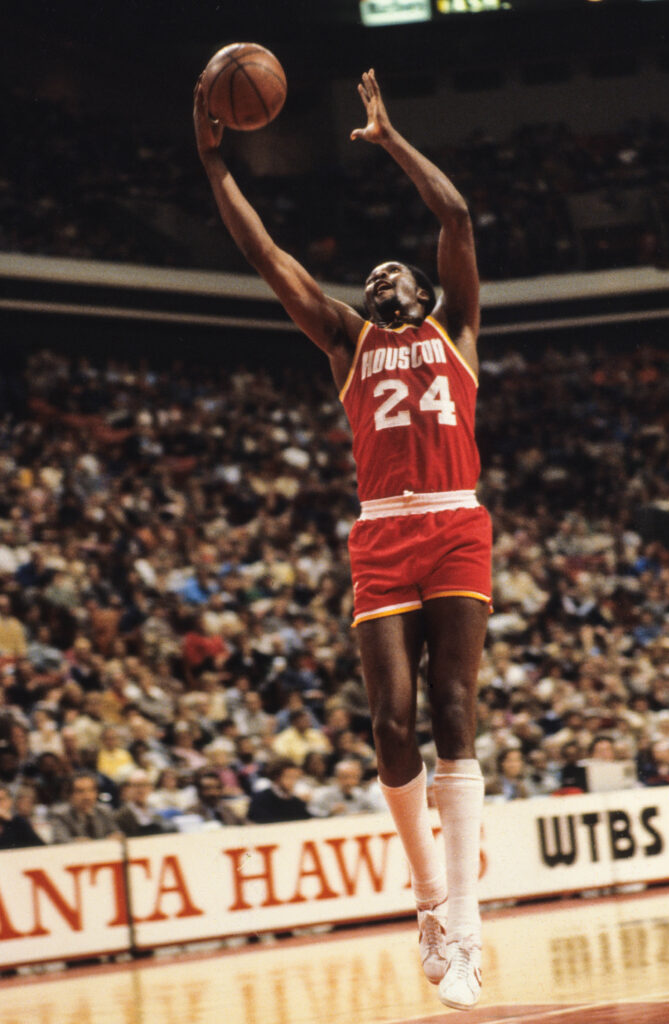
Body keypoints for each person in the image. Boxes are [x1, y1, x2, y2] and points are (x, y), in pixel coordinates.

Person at [195, 67, 490, 1010]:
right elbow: (266, 253)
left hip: (455, 520)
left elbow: (456, 217)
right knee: (391, 723)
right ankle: (428, 897)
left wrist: (392, 139)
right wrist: (215, 165)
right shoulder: (344, 339)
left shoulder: (460, 328)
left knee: (454, 710)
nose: (378, 278)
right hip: (382, 533)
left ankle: (467, 931)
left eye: (392, 271)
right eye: (369, 279)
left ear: (423, 290)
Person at [50, 771, 121, 843]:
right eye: (80, 791)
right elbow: (60, 840)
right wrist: (77, 842)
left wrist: (116, 836)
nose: (87, 796)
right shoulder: (60, 815)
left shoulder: (104, 810)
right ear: (69, 795)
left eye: (91, 790)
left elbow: (116, 832)